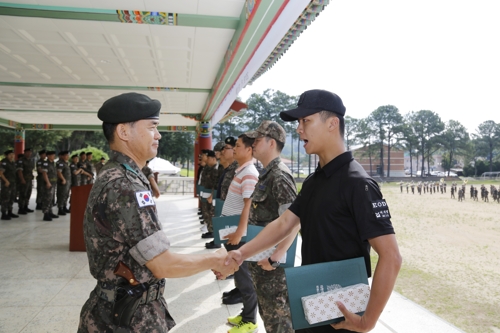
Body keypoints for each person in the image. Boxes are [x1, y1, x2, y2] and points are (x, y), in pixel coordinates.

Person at [224, 89, 402, 333]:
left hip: (341, 315)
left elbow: (391, 256)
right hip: (312, 304)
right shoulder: (313, 182)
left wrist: (368, 320)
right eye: (298, 122)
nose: (299, 129)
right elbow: (285, 223)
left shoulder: (357, 183)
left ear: (332, 123)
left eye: (305, 121)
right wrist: (241, 253)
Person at [78, 92, 237, 333]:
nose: (158, 135)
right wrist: (214, 260)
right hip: (125, 319)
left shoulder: (120, 174)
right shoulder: (124, 184)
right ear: (123, 132)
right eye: (152, 127)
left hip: (123, 309)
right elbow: (162, 264)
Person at [243, 120, 298, 332]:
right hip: (262, 260)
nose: (252, 144)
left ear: (271, 143)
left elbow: (293, 221)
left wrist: (276, 257)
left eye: (256, 140)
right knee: (269, 316)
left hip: (272, 266)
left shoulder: (279, 175)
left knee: (279, 320)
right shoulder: (267, 173)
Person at [221, 134, 260, 333]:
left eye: (237, 146)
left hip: (239, 236)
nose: (234, 149)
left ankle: (250, 320)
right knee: (239, 276)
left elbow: (248, 205)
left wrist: (240, 232)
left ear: (249, 150)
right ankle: (246, 313)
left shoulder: (250, 173)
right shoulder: (241, 170)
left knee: (245, 278)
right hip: (233, 232)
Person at [200, 150, 219, 243]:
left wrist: (211, 196)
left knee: (211, 214)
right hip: (206, 194)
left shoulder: (216, 169)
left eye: (208, 158)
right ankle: (209, 230)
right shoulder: (209, 168)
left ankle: (212, 232)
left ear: (213, 159)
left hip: (211, 196)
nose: (206, 160)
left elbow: (215, 185)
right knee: (206, 213)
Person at [0, 150, 19, 220]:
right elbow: (0, 173)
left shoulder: (13, 163)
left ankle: (9, 211)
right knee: (5, 198)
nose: (12, 156)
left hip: (13, 183)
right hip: (6, 183)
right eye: (10, 154)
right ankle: (4, 213)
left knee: (11, 198)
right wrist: (6, 181)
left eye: (13, 154)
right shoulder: (4, 162)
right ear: (6, 155)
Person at [41, 151, 58, 221]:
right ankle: (46, 213)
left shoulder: (52, 164)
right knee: (47, 198)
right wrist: (47, 182)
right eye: (52, 155)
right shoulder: (46, 163)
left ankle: (50, 212)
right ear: (48, 156)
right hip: (49, 184)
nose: (54, 156)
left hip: (53, 183)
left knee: (51, 199)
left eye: (54, 155)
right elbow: (44, 173)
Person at [17, 148, 35, 214]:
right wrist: (22, 179)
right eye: (27, 152)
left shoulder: (31, 160)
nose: (29, 153)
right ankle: (21, 208)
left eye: (30, 152)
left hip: (29, 179)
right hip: (24, 179)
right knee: (22, 194)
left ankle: (25, 206)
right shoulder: (21, 161)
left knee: (28, 193)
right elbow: (19, 171)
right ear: (24, 153)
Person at [56, 151, 71, 215]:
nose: (67, 157)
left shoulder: (66, 163)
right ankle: (60, 208)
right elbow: (59, 172)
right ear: (62, 156)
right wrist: (63, 179)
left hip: (67, 182)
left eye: (68, 155)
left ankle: (64, 206)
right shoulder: (60, 163)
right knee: (61, 195)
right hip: (63, 182)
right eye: (66, 155)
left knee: (66, 195)